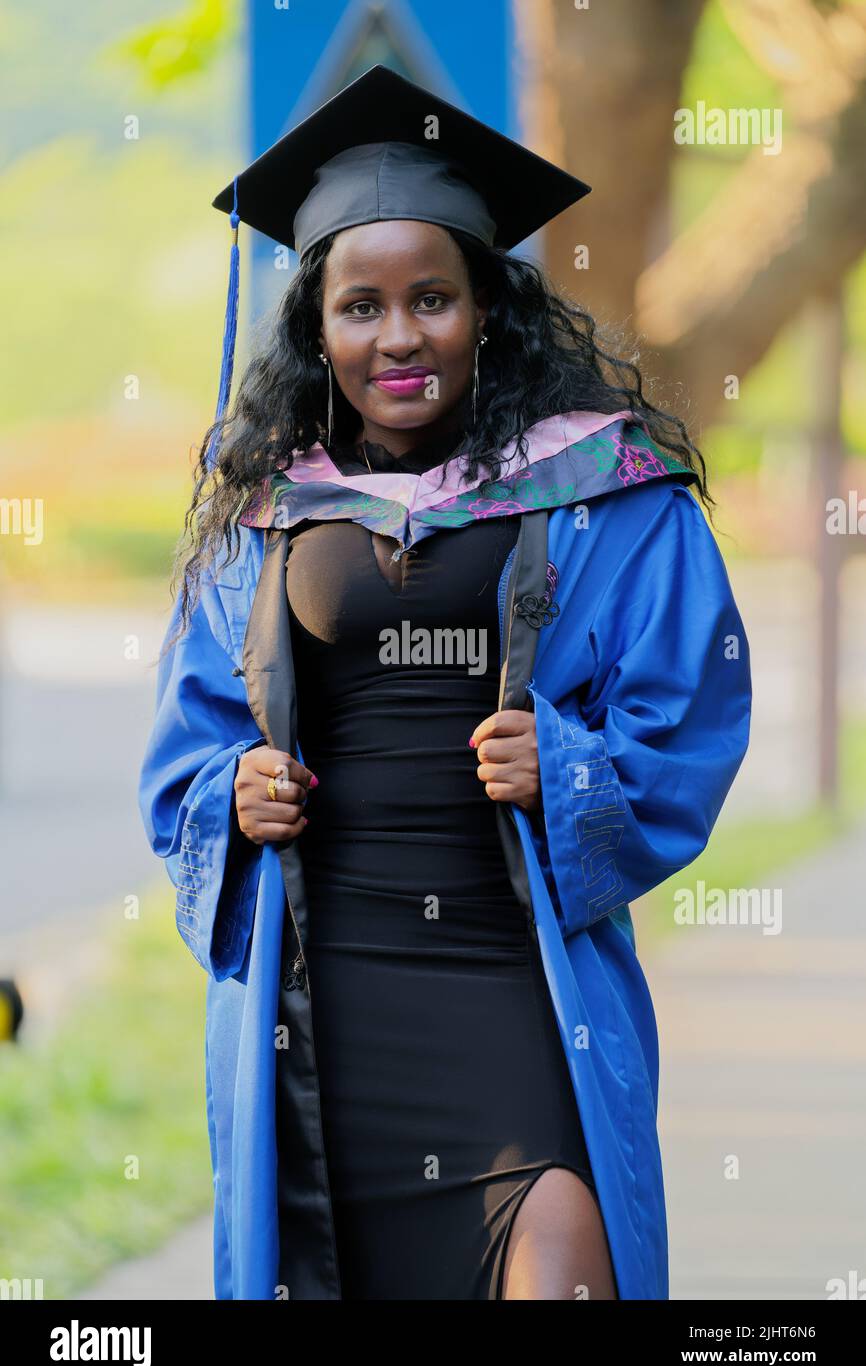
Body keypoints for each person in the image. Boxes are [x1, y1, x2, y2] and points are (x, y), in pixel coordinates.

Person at [138, 65, 751, 1300]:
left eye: (432, 297)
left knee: (566, 1257)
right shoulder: (261, 518)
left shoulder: (603, 491)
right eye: (359, 305)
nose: (398, 335)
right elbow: (186, 749)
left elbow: (688, 713)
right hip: (322, 991)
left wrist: (568, 768)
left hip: (520, 983)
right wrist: (232, 792)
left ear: (489, 308)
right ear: (316, 324)